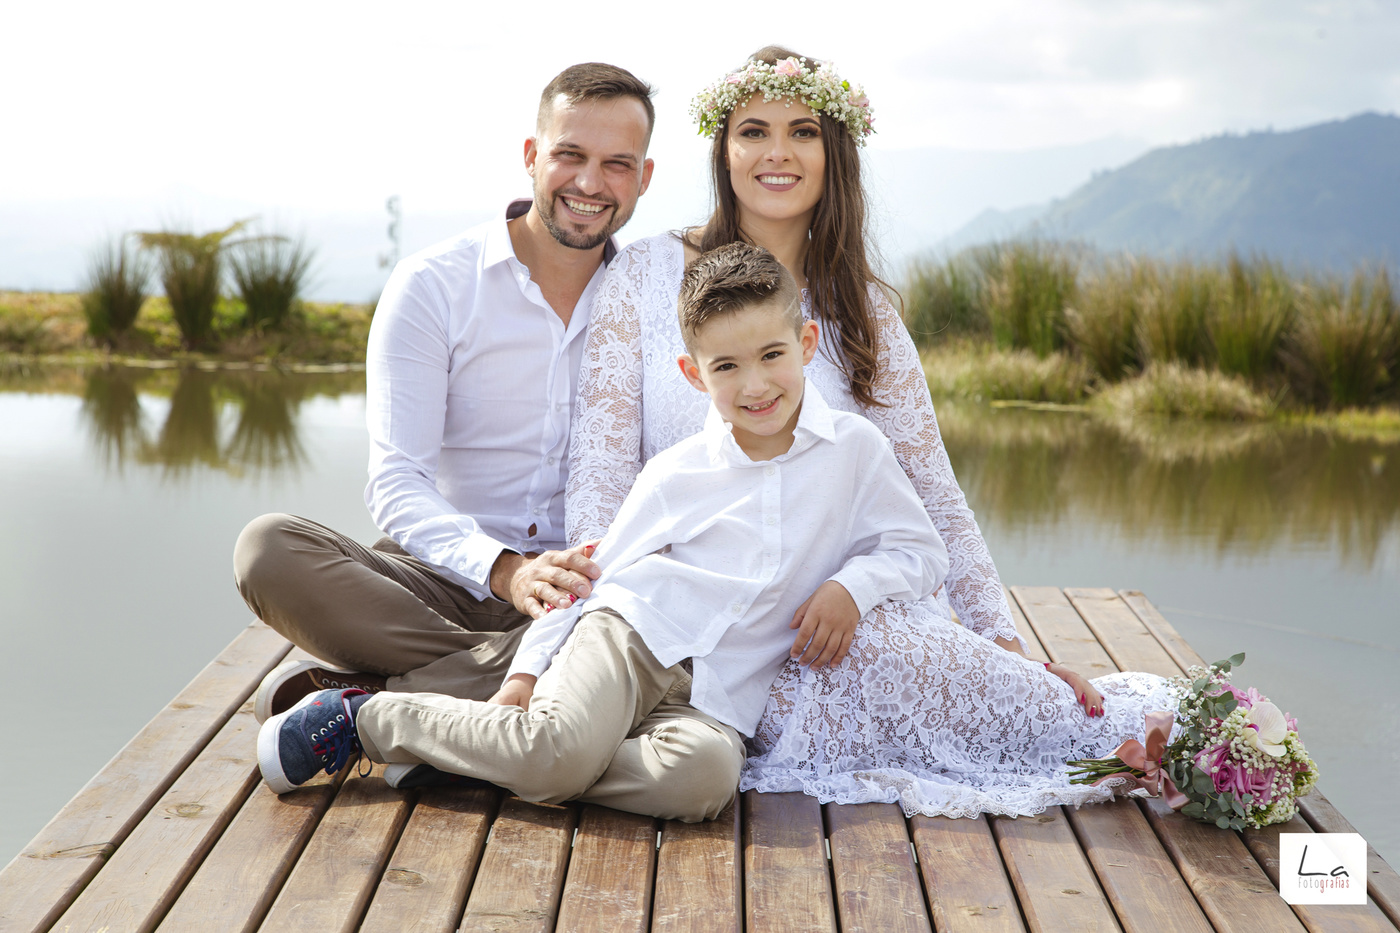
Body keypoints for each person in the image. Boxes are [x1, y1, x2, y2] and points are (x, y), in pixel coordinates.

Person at [567, 47, 1176, 818]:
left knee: (1009, 707)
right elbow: (600, 475)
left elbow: (936, 498)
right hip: (688, 621)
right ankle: (560, 743)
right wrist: (598, 624)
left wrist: (1005, 646)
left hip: (840, 627)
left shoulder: (863, 311)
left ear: (835, 152)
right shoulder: (644, 276)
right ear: (724, 150)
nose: (778, 153)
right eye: (754, 131)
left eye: (803, 132)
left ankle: (1184, 748)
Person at [255, 243, 948, 822]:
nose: (755, 385)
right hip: (633, 637)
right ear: (694, 374)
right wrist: (524, 674)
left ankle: (469, 755)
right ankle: (366, 720)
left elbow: (920, 549)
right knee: (555, 752)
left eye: (772, 355)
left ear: (806, 344)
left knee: (703, 782)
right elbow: (594, 574)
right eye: (727, 366)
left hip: (717, 693)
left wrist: (852, 587)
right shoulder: (679, 472)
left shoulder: (855, 450)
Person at [232, 62, 648, 719]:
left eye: (616, 164)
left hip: (586, 593)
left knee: (654, 621)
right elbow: (397, 482)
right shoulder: (433, 285)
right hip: (439, 583)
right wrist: (507, 570)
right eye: (569, 155)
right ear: (532, 156)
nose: (590, 183)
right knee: (268, 551)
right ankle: (536, 680)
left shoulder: (657, 303)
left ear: (644, 177)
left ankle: (385, 700)